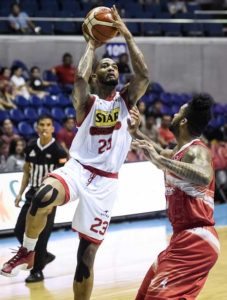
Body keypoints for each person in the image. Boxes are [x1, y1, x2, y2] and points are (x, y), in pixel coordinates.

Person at [1, 5, 149, 300]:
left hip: (106, 182)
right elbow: (79, 80)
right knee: (41, 197)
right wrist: (91, 45)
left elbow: (143, 74)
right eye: (105, 66)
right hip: (79, 168)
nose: (111, 68)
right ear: (95, 75)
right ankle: (29, 252)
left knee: (86, 258)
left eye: (114, 67)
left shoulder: (125, 101)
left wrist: (127, 34)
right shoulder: (87, 103)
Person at [128, 94, 220, 299]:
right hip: (181, 238)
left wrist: (160, 159)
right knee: (143, 296)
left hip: (197, 238)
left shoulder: (197, 151)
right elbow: (159, 151)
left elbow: (204, 176)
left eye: (179, 112)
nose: (174, 114)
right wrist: (136, 133)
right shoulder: (180, 151)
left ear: (184, 121)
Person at [13, 115, 68, 283]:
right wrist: (20, 193)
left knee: (42, 235)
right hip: (32, 194)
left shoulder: (58, 150)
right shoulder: (30, 146)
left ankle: (37, 271)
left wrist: (55, 201)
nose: (45, 128)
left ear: (53, 128)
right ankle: (43, 256)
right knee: (19, 229)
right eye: (42, 125)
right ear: (37, 128)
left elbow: (63, 176)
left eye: (48, 125)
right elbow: (27, 171)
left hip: (49, 197)